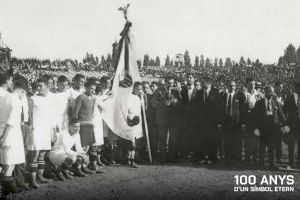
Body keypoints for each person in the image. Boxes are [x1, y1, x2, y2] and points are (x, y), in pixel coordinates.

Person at [26, 76, 56, 188]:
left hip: (46, 129)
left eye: (41, 86)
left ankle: (40, 177)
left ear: (47, 86)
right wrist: (31, 129)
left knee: (42, 154)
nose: (39, 88)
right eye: (37, 86)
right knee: (35, 154)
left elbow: (51, 117)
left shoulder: (49, 99)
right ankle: (32, 180)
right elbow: (30, 116)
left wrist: (53, 131)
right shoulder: (33, 99)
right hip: (36, 130)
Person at [0, 79, 27, 199]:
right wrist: (2, 138)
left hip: (3, 130)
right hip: (10, 134)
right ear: (22, 91)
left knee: (6, 164)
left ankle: (8, 189)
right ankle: (5, 192)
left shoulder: (4, 97)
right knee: (9, 165)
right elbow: (11, 123)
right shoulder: (16, 101)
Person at [72, 78, 104, 173]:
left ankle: (93, 165)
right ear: (86, 87)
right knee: (83, 148)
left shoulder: (92, 98)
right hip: (82, 125)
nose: (92, 91)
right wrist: (76, 127)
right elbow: (75, 113)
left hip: (90, 125)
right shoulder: (80, 97)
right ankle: (81, 168)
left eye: (94, 89)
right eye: (91, 88)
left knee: (92, 146)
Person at [253, 85, 288, 169]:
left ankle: (272, 164)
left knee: (272, 148)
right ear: (265, 92)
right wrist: (256, 128)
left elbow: (281, 113)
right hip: (263, 128)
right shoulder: (259, 103)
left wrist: (285, 124)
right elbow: (255, 117)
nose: (271, 93)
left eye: (272, 91)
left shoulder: (276, 102)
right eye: (270, 91)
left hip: (273, 128)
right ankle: (261, 165)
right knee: (262, 147)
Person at [151, 77, 180, 163]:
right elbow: (153, 103)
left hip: (172, 120)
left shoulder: (176, 91)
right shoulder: (158, 91)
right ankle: (163, 157)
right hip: (162, 119)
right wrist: (163, 104)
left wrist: (176, 102)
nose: (170, 85)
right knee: (162, 139)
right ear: (165, 83)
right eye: (168, 83)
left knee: (173, 139)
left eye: (172, 83)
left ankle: (171, 157)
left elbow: (180, 104)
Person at [195, 77, 222, 165]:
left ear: (208, 83)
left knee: (212, 140)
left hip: (212, 122)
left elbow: (219, 109)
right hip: (201, 122)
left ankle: (212, 158)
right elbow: (196, 109)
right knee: (201, 140)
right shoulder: (199, 93)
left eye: (203, 82)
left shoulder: (216, 92)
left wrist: (218, 122)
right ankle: (202, 157)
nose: (201, 84)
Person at [179, 74, 199, 159]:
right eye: (188, 77)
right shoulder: (183, 90)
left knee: (194, 135)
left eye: (191, 77)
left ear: (194, 79)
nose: (189, 79)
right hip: (185, 117)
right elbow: (181, 103)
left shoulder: (198, 91)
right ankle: (185, 153)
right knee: (184, 135)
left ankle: (193, 153)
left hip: (194, 118)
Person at [125, 82, 144, 167]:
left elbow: (142, 108)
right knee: (132, 143)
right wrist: (131, 118)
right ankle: (132, 161)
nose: (139, 91)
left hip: (138, 122)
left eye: (140, 89)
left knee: (135, 141)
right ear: (133, 88)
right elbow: (127, 109)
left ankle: (130, 159)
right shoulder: (129, 97)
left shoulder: (138, 97)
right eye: (137, 89)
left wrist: (142, 97)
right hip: (132, 121)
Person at [283, 82, 300, 168]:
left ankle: (298, 162)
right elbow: (284, 111)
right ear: (296, 89)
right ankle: (290, 161)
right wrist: (285, 124)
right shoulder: (289, 98)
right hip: (292, 125)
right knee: (291, 144)